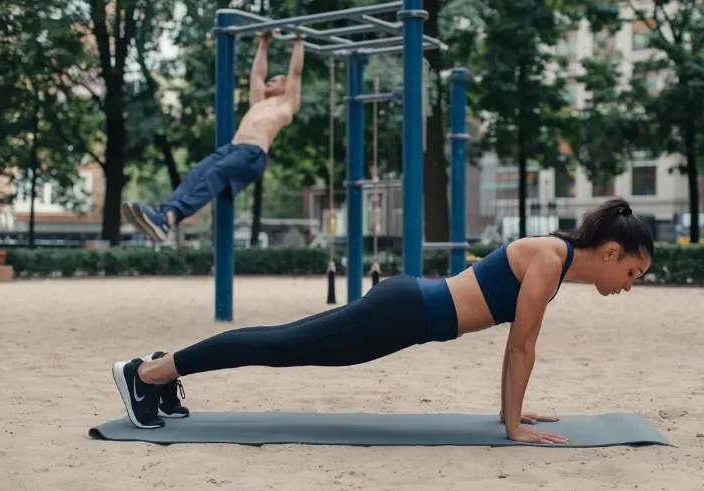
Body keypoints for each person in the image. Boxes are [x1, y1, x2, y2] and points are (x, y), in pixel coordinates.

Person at [110, 197, 654, 444]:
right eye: (633, 272)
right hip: (402, 313)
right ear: (610, 252)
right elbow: (520, 348)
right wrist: (512, 428)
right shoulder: (550, 258)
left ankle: (158, 373)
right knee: (280, 344)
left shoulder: (554, 262)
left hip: (406, 312)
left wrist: (513, 414)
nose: (629, 285)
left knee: (284, 344)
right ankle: (147, 375)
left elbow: (517, 347)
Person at [121, 31, 303, 242]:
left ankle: (171, 216)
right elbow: (257, 75)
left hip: (252, 154)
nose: (271, 80)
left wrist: (298, 41)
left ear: (286, 87)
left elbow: (296, 73)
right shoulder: (258, 102)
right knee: (198, 173)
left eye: (277, 80)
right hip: (233, 149)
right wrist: (263, 44)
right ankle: (163, 216)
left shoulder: (287, 104)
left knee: (216, 172)